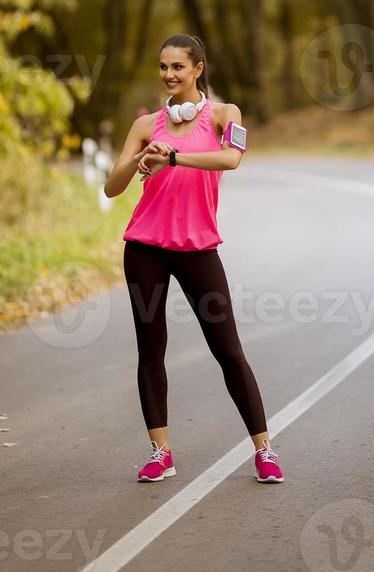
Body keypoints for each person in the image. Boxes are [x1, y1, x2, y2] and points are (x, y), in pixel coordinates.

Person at [104, 33, 285, 484]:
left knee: (228, 350)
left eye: (178, 67)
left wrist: (175, 158)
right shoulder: (146, 126)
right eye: (163, 67)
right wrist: (143, 159)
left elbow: (231, 160)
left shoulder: (225, 115)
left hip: (198, 249)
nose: (169, 75)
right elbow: (111, 187)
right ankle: (160, 452)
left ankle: (264, 450)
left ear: (198, 68)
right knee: (151, 349)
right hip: (145, 247)